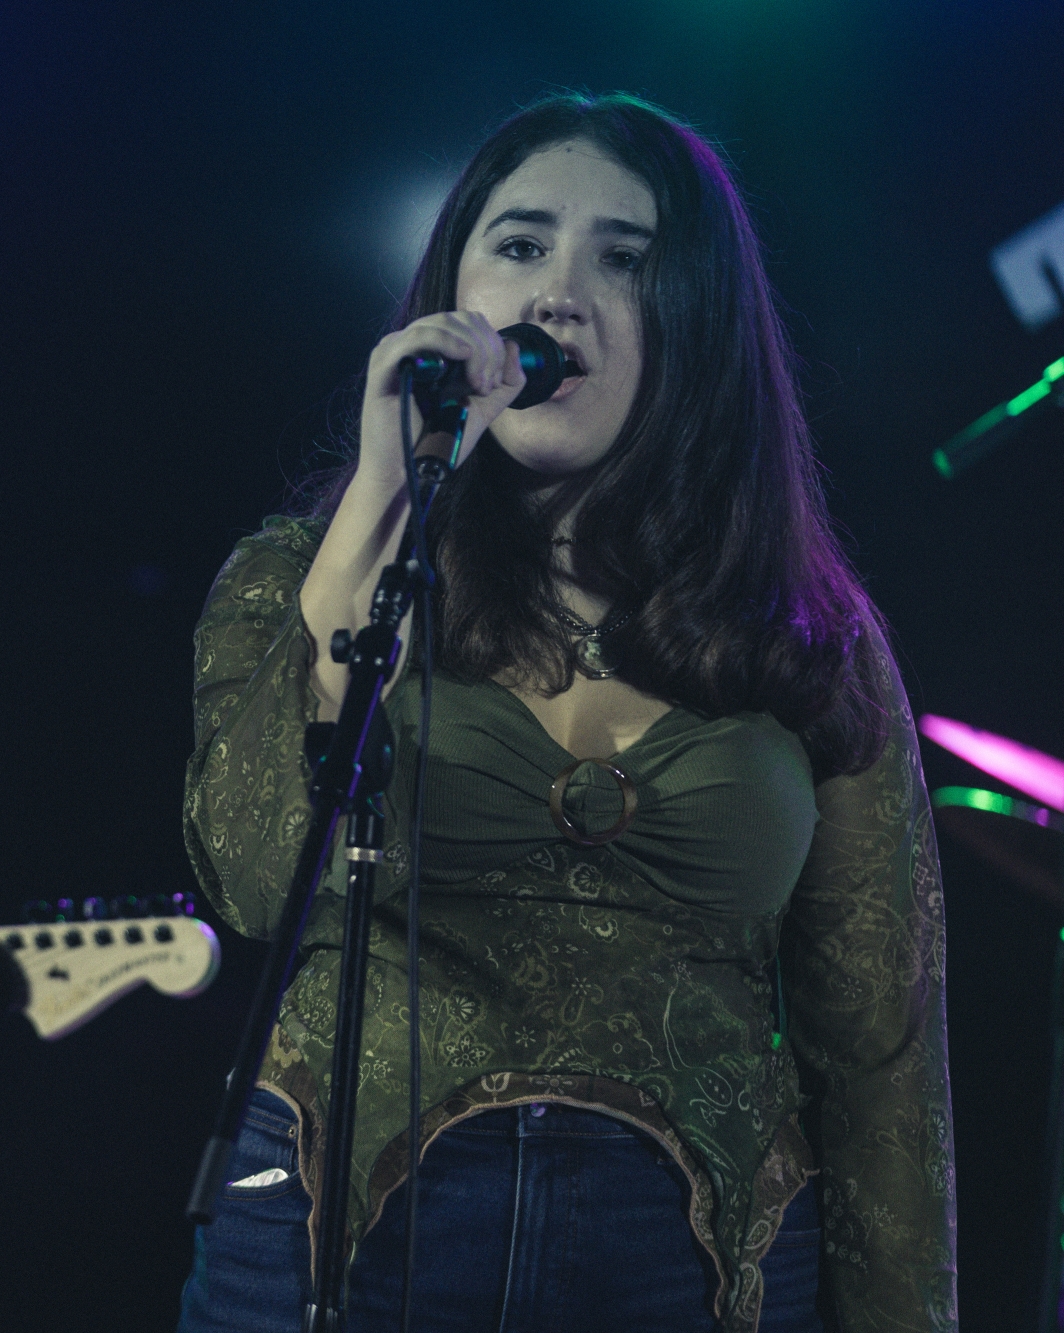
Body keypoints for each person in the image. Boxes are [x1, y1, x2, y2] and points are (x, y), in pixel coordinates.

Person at [179, 94, 953, 1332]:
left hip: (694, 1262)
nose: (557, 295)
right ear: (453, 290)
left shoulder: (807, 634)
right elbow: (260, 875)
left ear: (694, 318)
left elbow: (880, 1052)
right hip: (336, 1224)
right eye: (521, 244)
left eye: (624, 259)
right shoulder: (295, 575)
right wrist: (378, 500)